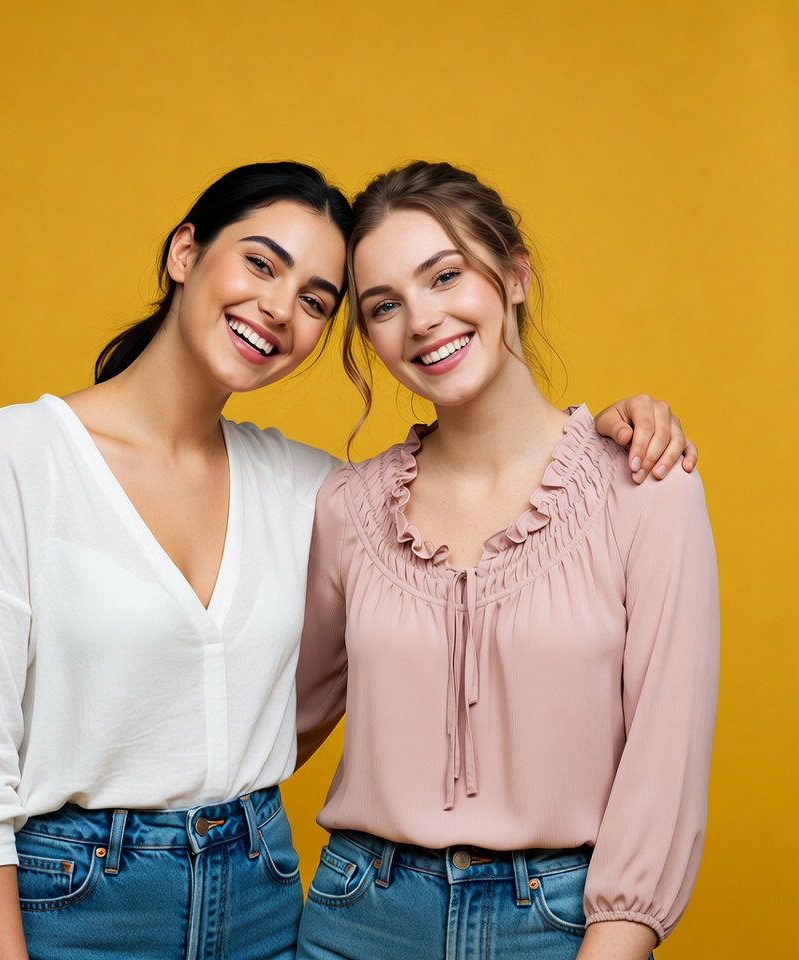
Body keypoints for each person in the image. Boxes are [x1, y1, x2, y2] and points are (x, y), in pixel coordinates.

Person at [0, 160, 694, 960]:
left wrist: (619, 433)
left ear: (515, 275)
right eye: (260, 263)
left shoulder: (312, 489)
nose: (280, 308)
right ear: (184, 252)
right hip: (99, 897)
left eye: (317, 300)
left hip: (260, 895)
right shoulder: (30, 454)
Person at [295, 161, 719, 960]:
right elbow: (271, 724)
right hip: (356, 915)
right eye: (384, 305)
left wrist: (618, 937)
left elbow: (666, 759)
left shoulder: (645, 485)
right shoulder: (346, 507)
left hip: (558, 923)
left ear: (515, 276)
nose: (422, 319)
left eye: (444, 275)